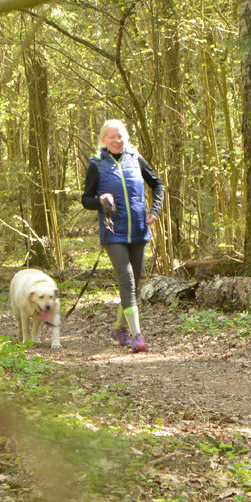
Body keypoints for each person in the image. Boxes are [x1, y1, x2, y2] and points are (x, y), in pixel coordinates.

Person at [81, 120, 164, 353]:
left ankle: (119, 328)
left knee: (134, 283)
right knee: (126, 280)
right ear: (103, 140)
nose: (118, 141)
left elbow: (158, 185)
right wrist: (99, 200)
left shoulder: (135, 158)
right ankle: (137, 336)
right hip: (113, 231)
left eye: (121, 136)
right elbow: (85, 199)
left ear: (126, 137)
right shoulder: (97, 165)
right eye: (112, 137)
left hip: (138, 228)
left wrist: (154, 211)